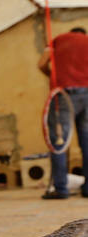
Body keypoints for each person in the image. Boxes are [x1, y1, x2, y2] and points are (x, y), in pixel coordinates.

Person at [38, 26, 88, 199]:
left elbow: (41, 63)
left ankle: (61, 188)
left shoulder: (58, 40)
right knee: (87, 141)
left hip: (64, 93)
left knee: (59, 141)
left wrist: (52, 76)